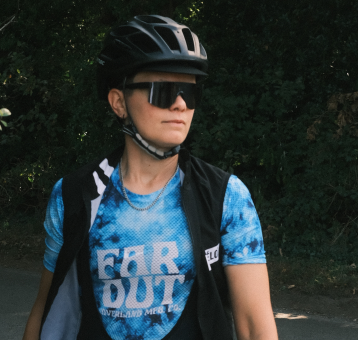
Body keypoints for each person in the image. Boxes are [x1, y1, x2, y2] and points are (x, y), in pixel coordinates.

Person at [23, 15, 278, 340]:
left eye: (190, 91)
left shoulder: (225, 196)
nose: (181, 104)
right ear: (119, 102)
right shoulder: (74, 195)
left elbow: (256, 327)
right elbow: (46, 311)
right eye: (163, 91)